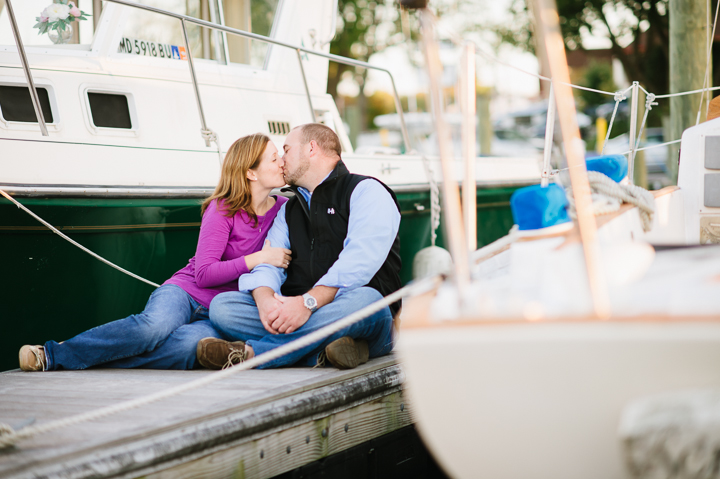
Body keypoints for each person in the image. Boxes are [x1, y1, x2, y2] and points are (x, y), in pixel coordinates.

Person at [18, 133, 291, 371]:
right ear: (250, 172)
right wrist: (258, 259)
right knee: (153, 328)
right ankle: (52, 355)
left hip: (222, 310)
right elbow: (205, 274)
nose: (282, 162)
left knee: (187, 348)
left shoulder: (283, 209)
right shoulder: (223, 208)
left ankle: (93, 355)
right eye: (274, 158)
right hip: (185, 292)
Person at [197, 123, 401, 371]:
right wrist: (265, 301)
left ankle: (252, 353)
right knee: (223, 307)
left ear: (311, 149)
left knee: (367, 299)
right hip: (299, 311)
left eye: (286, 150)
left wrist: (307, 304)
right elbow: (268, 263)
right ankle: (322, 352)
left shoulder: (366, 191)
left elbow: (359, 262)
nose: (281, 160)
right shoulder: (288, 210)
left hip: (358, 312)